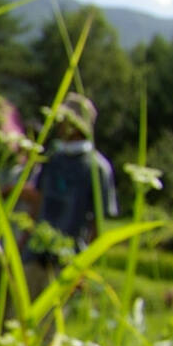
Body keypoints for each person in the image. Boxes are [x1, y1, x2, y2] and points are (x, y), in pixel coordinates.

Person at [23, 93, 117, 300]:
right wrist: (22, 245)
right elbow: (37, 204)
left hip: (65, 263)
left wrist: (83, 269)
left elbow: (97, 228)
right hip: (33, 256)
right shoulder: (52, 158)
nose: (59, 125)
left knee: (48, 325)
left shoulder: (97, 168)